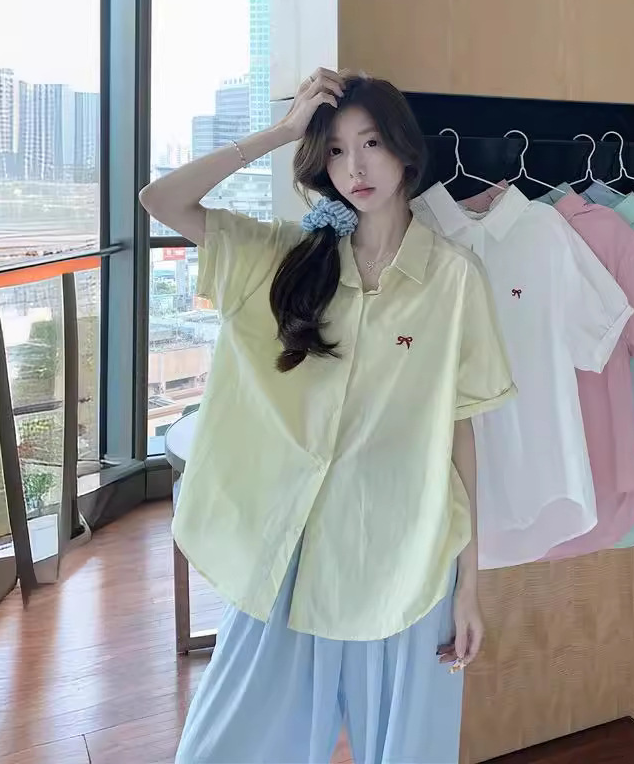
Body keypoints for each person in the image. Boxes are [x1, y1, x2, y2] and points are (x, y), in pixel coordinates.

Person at [140, 68, 515, 764]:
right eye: (335, 150)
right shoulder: (285, 259)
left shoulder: (454, 279)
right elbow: (160, 200)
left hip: (405, 556)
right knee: (224, 750)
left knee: (408, 752)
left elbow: (460, 435)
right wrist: (283, 131)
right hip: (291, 549)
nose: (355, 168)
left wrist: (470, 587)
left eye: (371, 143)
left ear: (404, 148)